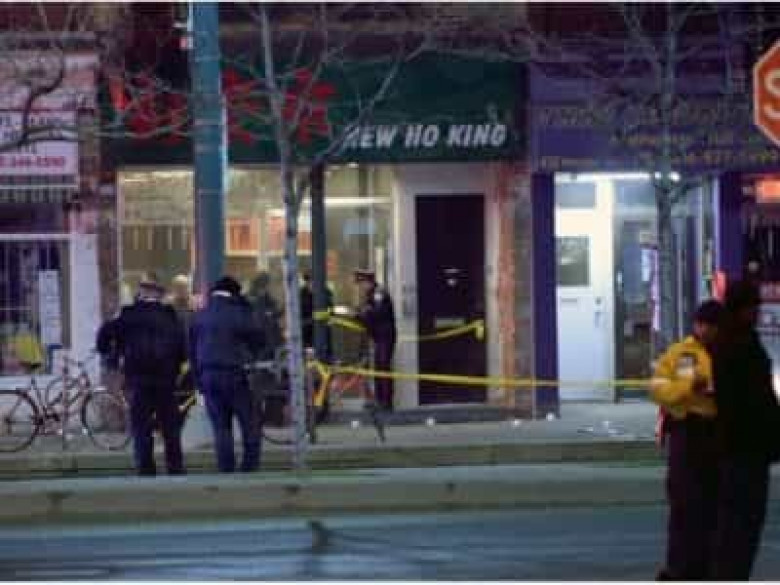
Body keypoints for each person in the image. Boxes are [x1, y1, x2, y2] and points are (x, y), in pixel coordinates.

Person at [710, 279, 779, 580]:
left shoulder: (733, 341)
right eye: (753, 307)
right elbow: (751, 399)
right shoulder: (739, 345)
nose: (758, 312)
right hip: (745, 446)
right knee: (743, 524)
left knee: (738, 526)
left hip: (742, 445)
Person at [650, 300, 723, 581]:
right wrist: (691, 385)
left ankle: (705, 567)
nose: (705, 330)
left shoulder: (726, 352)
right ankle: (679, 568)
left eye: (711, 326)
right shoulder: (686, 353)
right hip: (687, 432)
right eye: (701, 324)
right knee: (684, 505)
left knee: (711, 507)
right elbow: (664, 390)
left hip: (715, 433)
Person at [95, 273, 186, 477]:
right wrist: (177, 365)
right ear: (159, 295)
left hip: (138, 379)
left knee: (141, 425)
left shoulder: (128, 314)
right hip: (165, 379)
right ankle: (175, 466)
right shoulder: (170, 316)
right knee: (170, 426)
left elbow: (104, 334)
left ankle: (145, 466)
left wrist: (110, 355)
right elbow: (182, 346)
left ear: (142, 294)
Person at [190, 276, 265, 473]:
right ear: (234, 293)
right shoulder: (240, 312)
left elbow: (192, 351)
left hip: (209, 375)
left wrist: (198, 382)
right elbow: (258, 339)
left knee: (221, 426)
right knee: (249, 423)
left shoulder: (200, 315)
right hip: (235, 373)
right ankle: (249, 466)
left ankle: (226, 468)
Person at [354, 269, 397, 411]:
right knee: (378, 368)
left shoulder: (379, 293)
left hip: (385, 336)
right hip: (379, 337)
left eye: (362, 283)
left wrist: (362, 314)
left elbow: (377, 312)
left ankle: (386, 402)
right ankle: (379, 400)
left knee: (383, 367)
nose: (361, 287)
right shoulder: (371, 294)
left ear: (369, 281)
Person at [247, 272, 282, 362]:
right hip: (264, 339)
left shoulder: (266, 298)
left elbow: (275, 311)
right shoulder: (255, 300)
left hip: (270, 339)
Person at [300, 272, 334, 359]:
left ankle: (327, 358)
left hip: (322, 328)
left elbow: (331, 309)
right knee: (309, 354)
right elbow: (300, 314)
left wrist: (328, 318)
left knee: (325, 350)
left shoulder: (326, 292)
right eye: (310, 282)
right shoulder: (301, 294)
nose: (312, 284)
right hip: (307, 330)